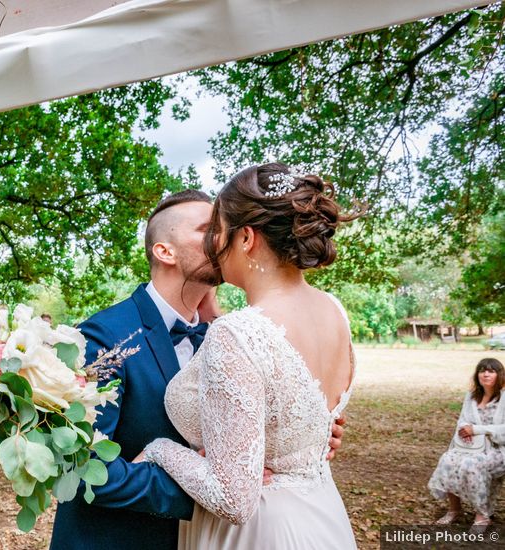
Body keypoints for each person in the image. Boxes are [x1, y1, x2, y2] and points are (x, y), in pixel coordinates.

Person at [50, 186, 345, 550]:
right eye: (209, 229)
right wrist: (207, 493)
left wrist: (307, 434)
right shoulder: (106, 336)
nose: (223, 239)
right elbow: (82, 468)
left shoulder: (232, 335)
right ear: (164, 251)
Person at [140, 163, 358, 548]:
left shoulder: (237, 334)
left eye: (217, 232)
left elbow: (232, 498)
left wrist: (160, 450)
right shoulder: (334, 311)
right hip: (321, 517)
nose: (212, 245)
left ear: (245, 238)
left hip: (259, 532)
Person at [429, 358, 505, 531]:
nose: (486, 374)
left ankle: (482, 515)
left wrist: (477, 429)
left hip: (498, 449)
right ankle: (455, 510)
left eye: (491, 371)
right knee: (448, 460)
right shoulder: (471, 396)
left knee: (471, 465)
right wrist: (464, 431)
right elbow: (463, 421)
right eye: (482, 370)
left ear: (499, 374)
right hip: (472, 446)